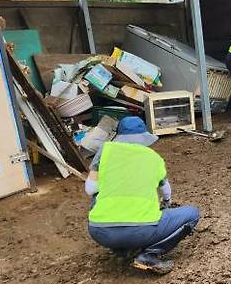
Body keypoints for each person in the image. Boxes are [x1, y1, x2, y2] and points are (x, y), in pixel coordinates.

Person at [85, 117, 200, 274]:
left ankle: (122, 250)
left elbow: (90, 189)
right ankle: (149, 254)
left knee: (96, 197)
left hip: (100, 231)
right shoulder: (153, 158)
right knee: (192, 214)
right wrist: (165, 204)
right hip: (142, 231)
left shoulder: (105, 151)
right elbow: (166, 192)